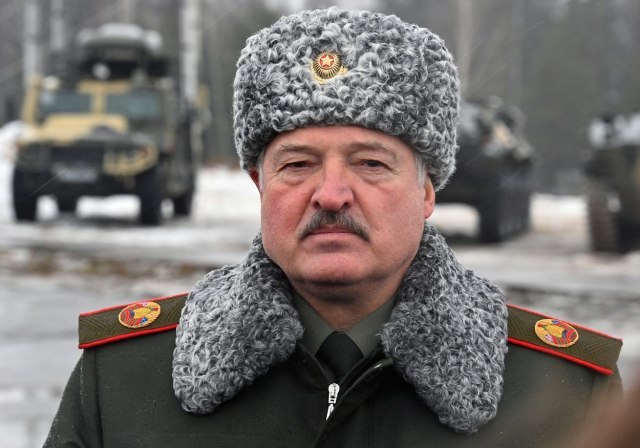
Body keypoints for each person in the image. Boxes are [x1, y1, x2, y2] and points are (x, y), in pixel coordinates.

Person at [44, 7, 622, 447]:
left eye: (371, 163)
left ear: (426, 190)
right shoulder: (122, 382)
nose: (331, 194)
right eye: (298, 165)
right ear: (260, 185)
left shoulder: (565, 399)